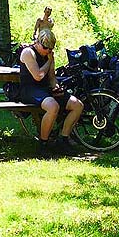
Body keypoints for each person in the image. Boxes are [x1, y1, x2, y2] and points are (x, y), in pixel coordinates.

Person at [19, 9, 82, 153]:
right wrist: (49, 61)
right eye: (46, 49)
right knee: (53, 106)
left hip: (45, 89)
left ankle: (63, 139)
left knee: (77, 105)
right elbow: (38, 75)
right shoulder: (28, 52)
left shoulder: (48, 54)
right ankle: (43, 144)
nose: (48, 51)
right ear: (39, 43)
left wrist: (56, 87)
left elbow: (51, 76)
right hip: (30, 89)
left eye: (51, 49)